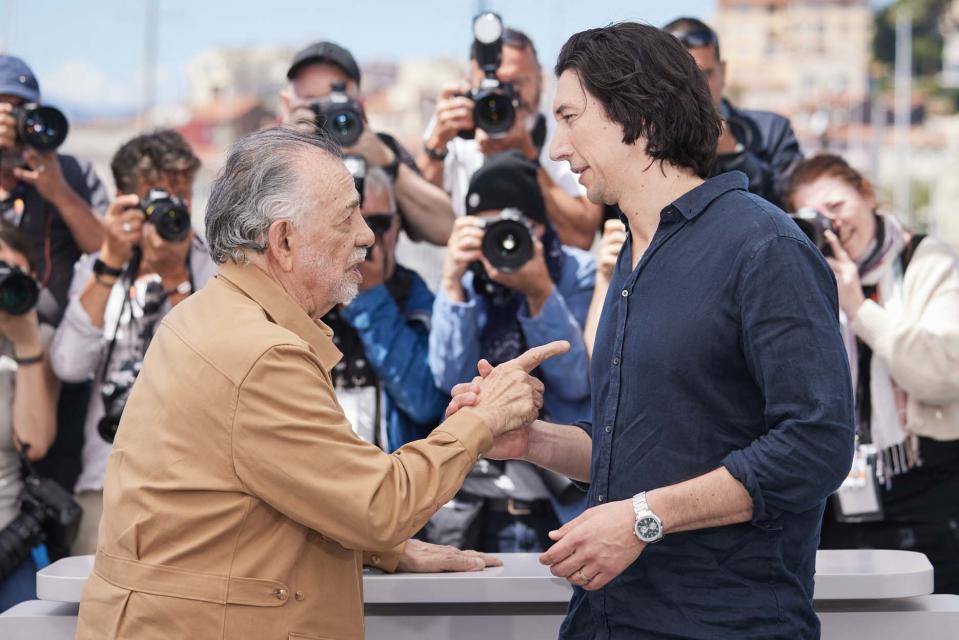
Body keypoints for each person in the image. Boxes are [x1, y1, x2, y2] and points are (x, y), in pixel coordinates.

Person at [74, 125, 568, 640]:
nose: (366, 235)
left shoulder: (210, 315)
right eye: (346, 217)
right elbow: (380, 505)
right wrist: (483, 420)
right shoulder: (260, 352)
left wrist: (384, 549)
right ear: (283, 240)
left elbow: (272, 485)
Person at [449, 23, 855, 639]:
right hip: (608, 621)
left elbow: (816, 445)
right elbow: (637, 448)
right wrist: (528, 442)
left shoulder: (764, 246)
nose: (556, 148)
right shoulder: (637, 255)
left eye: (570, 117)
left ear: (636, 116)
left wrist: (644, 518)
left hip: (726, 626)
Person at [786, 153, 959, 595]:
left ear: (866, 194)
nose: (833, 226)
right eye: (815, 219)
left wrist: (857, 308)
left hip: (927, 489)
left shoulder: (926, 260)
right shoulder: (805, 283)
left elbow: (943, 374)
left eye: (838, 207)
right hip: (834, 500)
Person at [49, 130, 214, 555]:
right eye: (160, 193)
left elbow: (216, 364)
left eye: (183, 192)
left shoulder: (215, 268)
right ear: (123, 199)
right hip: (106, 482)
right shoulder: (99, 268)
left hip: (197, 489)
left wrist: (177, 278)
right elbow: (68, 364)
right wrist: (110, 264)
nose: (173, 206)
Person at [430, 150, 593, 548]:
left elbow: (579, 381)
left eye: (515, 227)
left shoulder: (581, 274)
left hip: (565, 505)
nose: (503, 240)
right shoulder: (470, 279)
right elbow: (448, 379)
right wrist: (452, 284)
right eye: (489, 228)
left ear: (540, 225)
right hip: (481, 506)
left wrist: (540, 293)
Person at [418, 26, 601, 249]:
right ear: (468, 83)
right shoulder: (454, 130)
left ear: (539, 81)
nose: (504, 96)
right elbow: (419, 223)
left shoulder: (561, 134)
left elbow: (582, 236)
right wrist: (435, 147)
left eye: (515, 84)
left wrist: (527, 156)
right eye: (491, 84)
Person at [281, 40, 454, 246]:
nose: (330, 112)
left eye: (337, 100)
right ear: (287, 104)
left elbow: (447, 230)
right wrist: (288, 150)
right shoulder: (267, 156)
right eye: (313, 101)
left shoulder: (383, 148)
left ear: (360, 104)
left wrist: (387, 164)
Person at [323, 165, 448, 450]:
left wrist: (371, 299)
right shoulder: (309, 296)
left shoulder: (416, 297)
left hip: (390, 478)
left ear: (396, 228)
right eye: (348, 224)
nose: (365, 238)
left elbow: (425, 401)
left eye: (377, 225)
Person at [0, 55, 108, 316]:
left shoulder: (72, 172)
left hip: (53, 335)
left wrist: (59, 192)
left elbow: (106, 249)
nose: (12, 127)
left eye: (21, 112)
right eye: (5, 112)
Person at [663, 17, 803, 209]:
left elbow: (790, 211)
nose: (696, 87)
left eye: (705, 74)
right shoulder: (641, 139)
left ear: (724, 71)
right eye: (681, 77)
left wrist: (734, 155)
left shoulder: (772, 131)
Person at [0, 221, 60, 611]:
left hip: (6, 543)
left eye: (10, 272)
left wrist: (25, 343)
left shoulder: (42, 341)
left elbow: (34, 442)